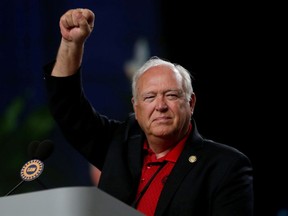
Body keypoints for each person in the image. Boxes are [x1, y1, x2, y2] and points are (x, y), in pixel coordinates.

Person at [43, 8, 254, 216]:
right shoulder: (120, 146)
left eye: (171, 95)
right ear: (136, 106)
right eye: (150, 97)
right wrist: (71, 43)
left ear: (191, 103)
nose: (160, 106)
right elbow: (68, 107)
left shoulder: (225, 166)